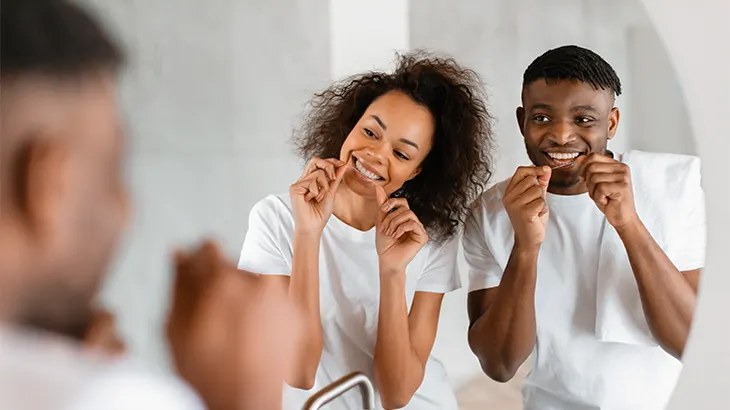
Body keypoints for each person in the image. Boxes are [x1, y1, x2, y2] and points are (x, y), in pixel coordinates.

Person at [0, 1, 293, 409]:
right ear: (52, 185)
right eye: (112, 169)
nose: (126, 208)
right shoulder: (104, 397)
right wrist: (245, 393)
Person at [238, 51, 495, 409]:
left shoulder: (429, 237)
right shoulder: (275, 218)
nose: (375, 154)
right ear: (351, 125)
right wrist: (309, 234)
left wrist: (392, 271)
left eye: (402, 154)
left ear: (418, 172)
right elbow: (297, 370)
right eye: (370, 132)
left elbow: (396, 394)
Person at [464, 44, 706, 410]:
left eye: (583, 119)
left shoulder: (676, 184)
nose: (561, 135)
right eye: (542, 118)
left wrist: (628, 223)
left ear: (610, 123)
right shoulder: (492, 212)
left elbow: (694, 342)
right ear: (522, 121)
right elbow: (499, 365)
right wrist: (525, 247)